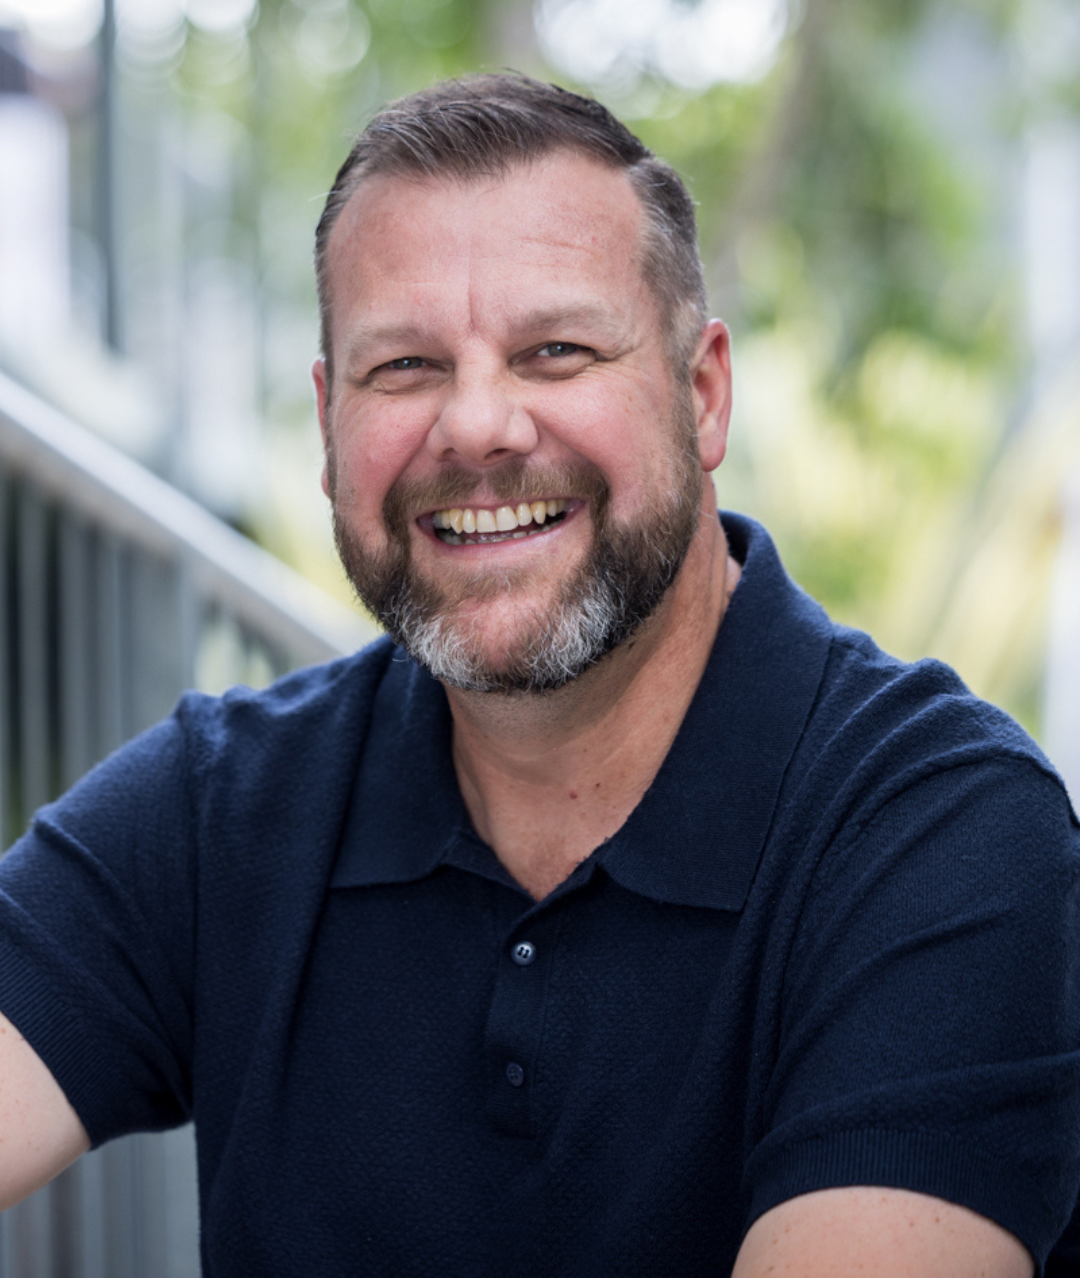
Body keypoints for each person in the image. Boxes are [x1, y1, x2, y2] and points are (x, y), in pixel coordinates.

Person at [1, 73, 1079, 1277]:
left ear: (703, 394)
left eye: (554, 350)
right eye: (403, 367)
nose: (476, 427)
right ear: (326, 425)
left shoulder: (945, 836)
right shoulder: (224, 807)